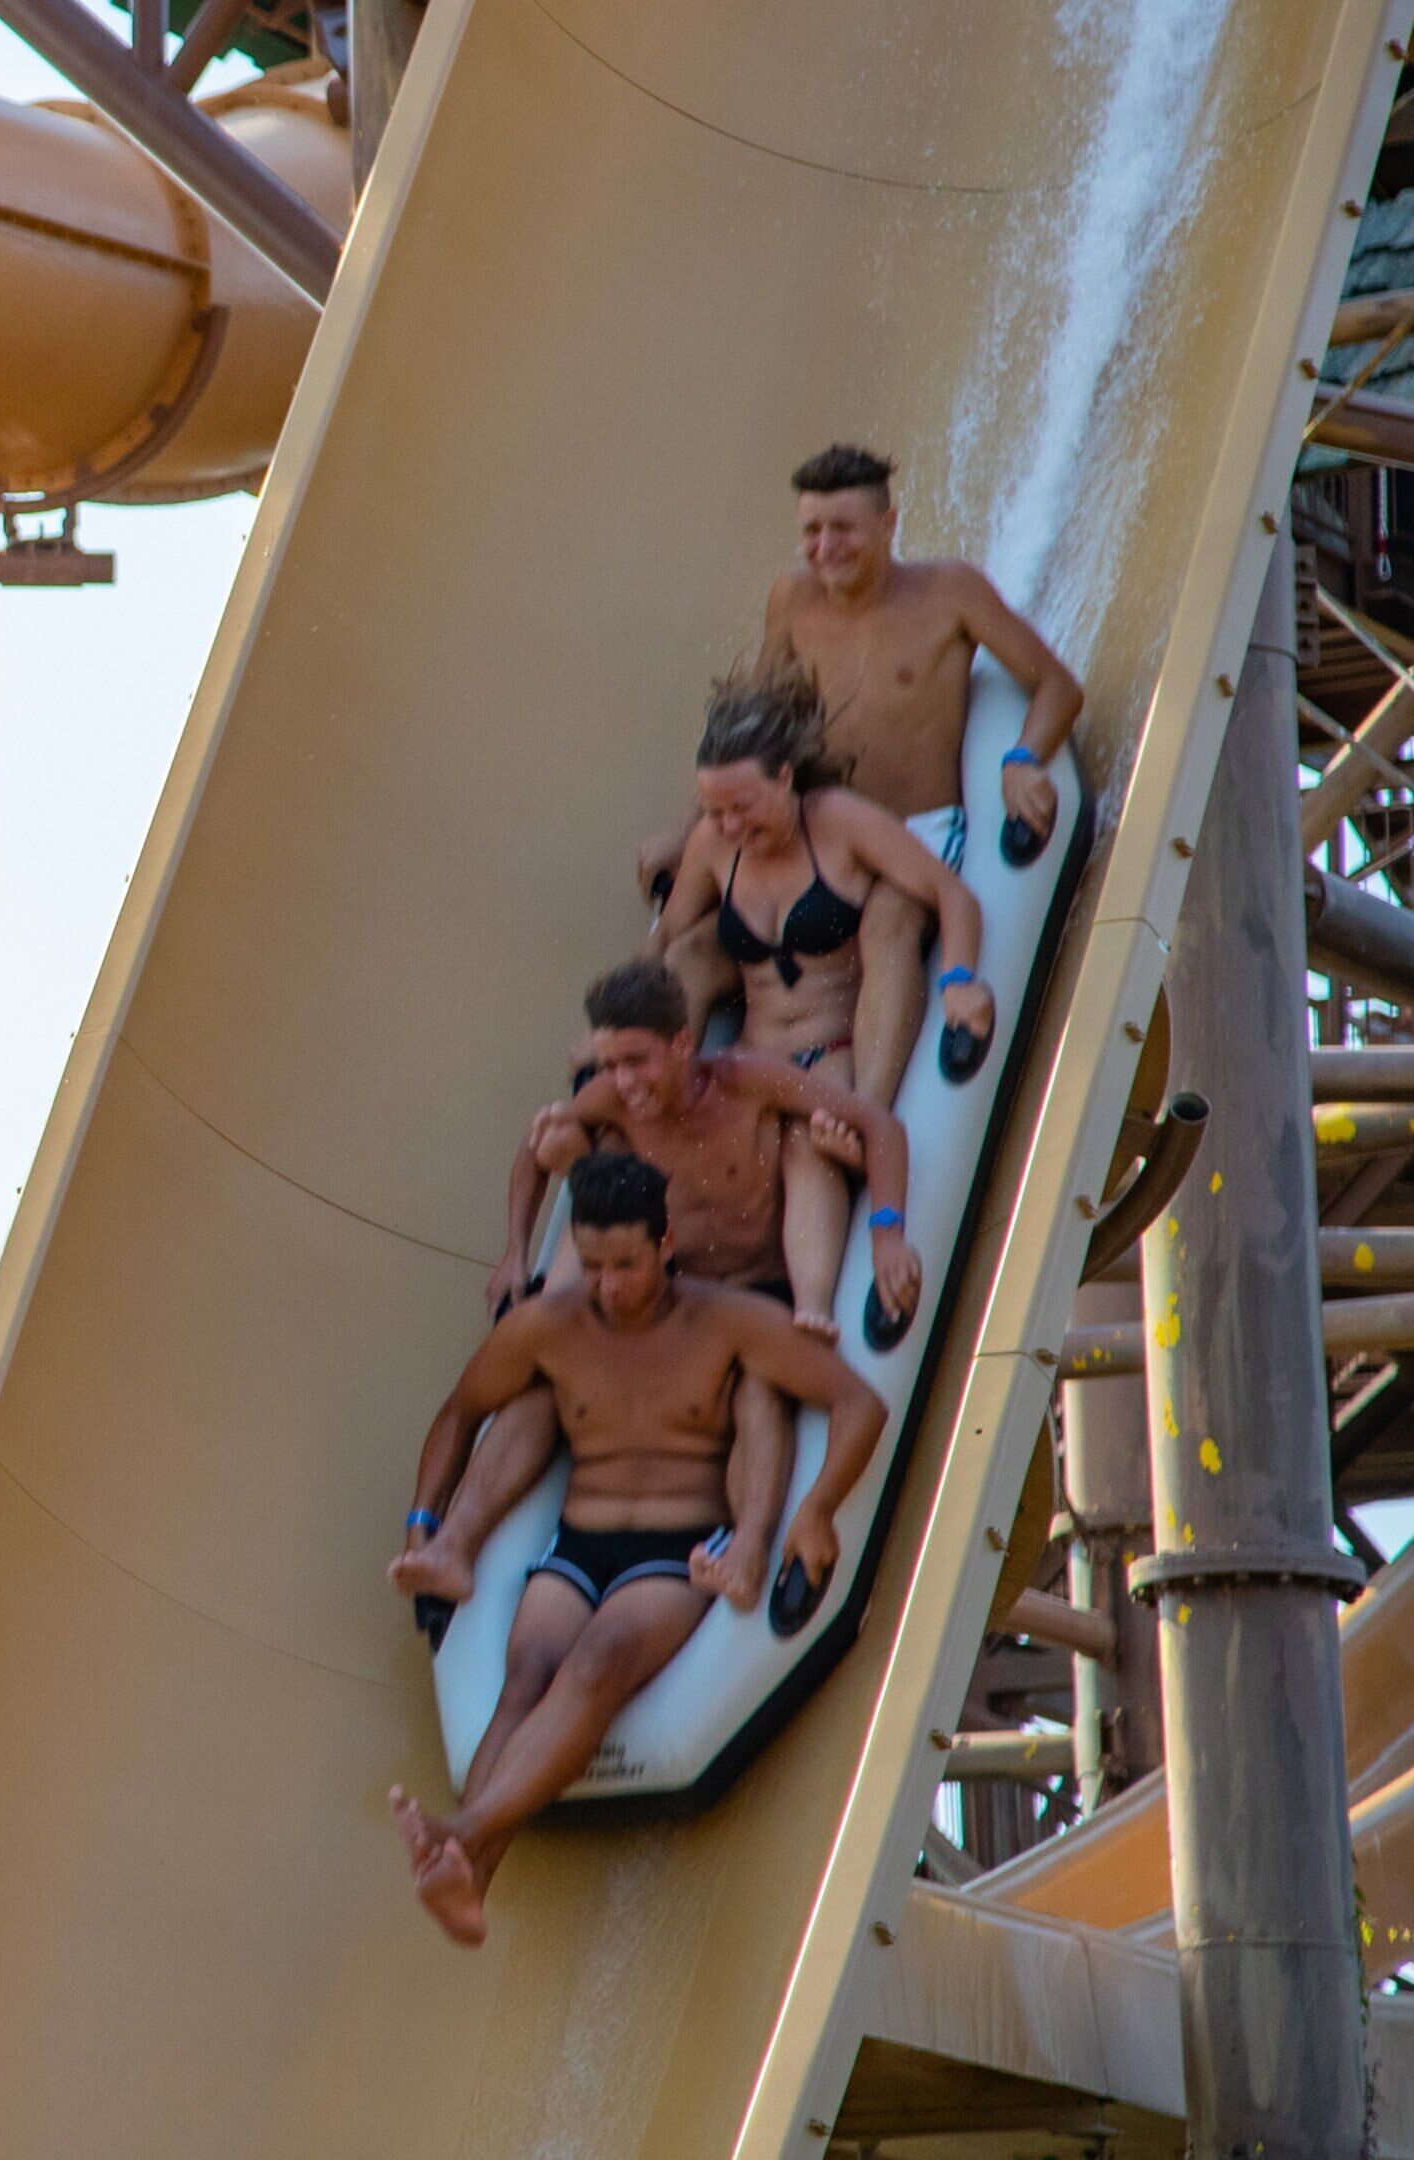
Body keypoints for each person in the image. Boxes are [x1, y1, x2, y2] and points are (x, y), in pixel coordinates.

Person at [388, 1152, 886, 1948]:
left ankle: (462, 1834)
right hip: (580, 1541)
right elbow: (458, 1413)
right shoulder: (550, 1327)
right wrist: (423, 1521)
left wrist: (818, 1509)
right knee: (525, 1675)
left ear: (665, 1244)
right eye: (592, 1267)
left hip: (676, 1549)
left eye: (625, 1265)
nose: (609, 1287)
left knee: (600, 1661)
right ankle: (470, 1876)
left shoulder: (727, 1321)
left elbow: (858, 1403)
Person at [390, 957, 910, 1613]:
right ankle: (451, 1548)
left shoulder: (749, 1080)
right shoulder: (610, 1100)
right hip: (669, 1299)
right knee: (544, 1386)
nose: (623, 1082)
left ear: (683, 1044)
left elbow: (881, 1126)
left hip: (756, 1295)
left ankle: (746, 1552)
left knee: (757, 1386)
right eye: (610, 1064)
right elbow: (533, 1150)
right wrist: (514, 1252)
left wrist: (887, 1234)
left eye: (637, 1061)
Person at [648, 676, 983, 1321]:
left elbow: (950, 895)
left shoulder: (839, 823)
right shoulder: (715, 844)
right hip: (753, 1059)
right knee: (686, 964)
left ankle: (813, 1311)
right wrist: (614, 1033)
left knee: (809, 1142)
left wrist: (960, 981)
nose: (729, 825)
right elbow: (666, 939)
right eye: (715, 811)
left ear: (784, 778)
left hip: (831, 1051)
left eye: (742, 806)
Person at [756, 443, 1080, 1094]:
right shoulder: (793, 600)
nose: (825, 548)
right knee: (712, 946)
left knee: (889, 922)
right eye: (812, 531)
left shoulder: (948, 593)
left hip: (920, 832)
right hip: (832, 836)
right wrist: (692, 835)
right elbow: (755, 730)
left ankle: (867, 1114)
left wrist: (1022, 760)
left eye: (842, 528)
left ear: (888, 524)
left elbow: (1057, 686)